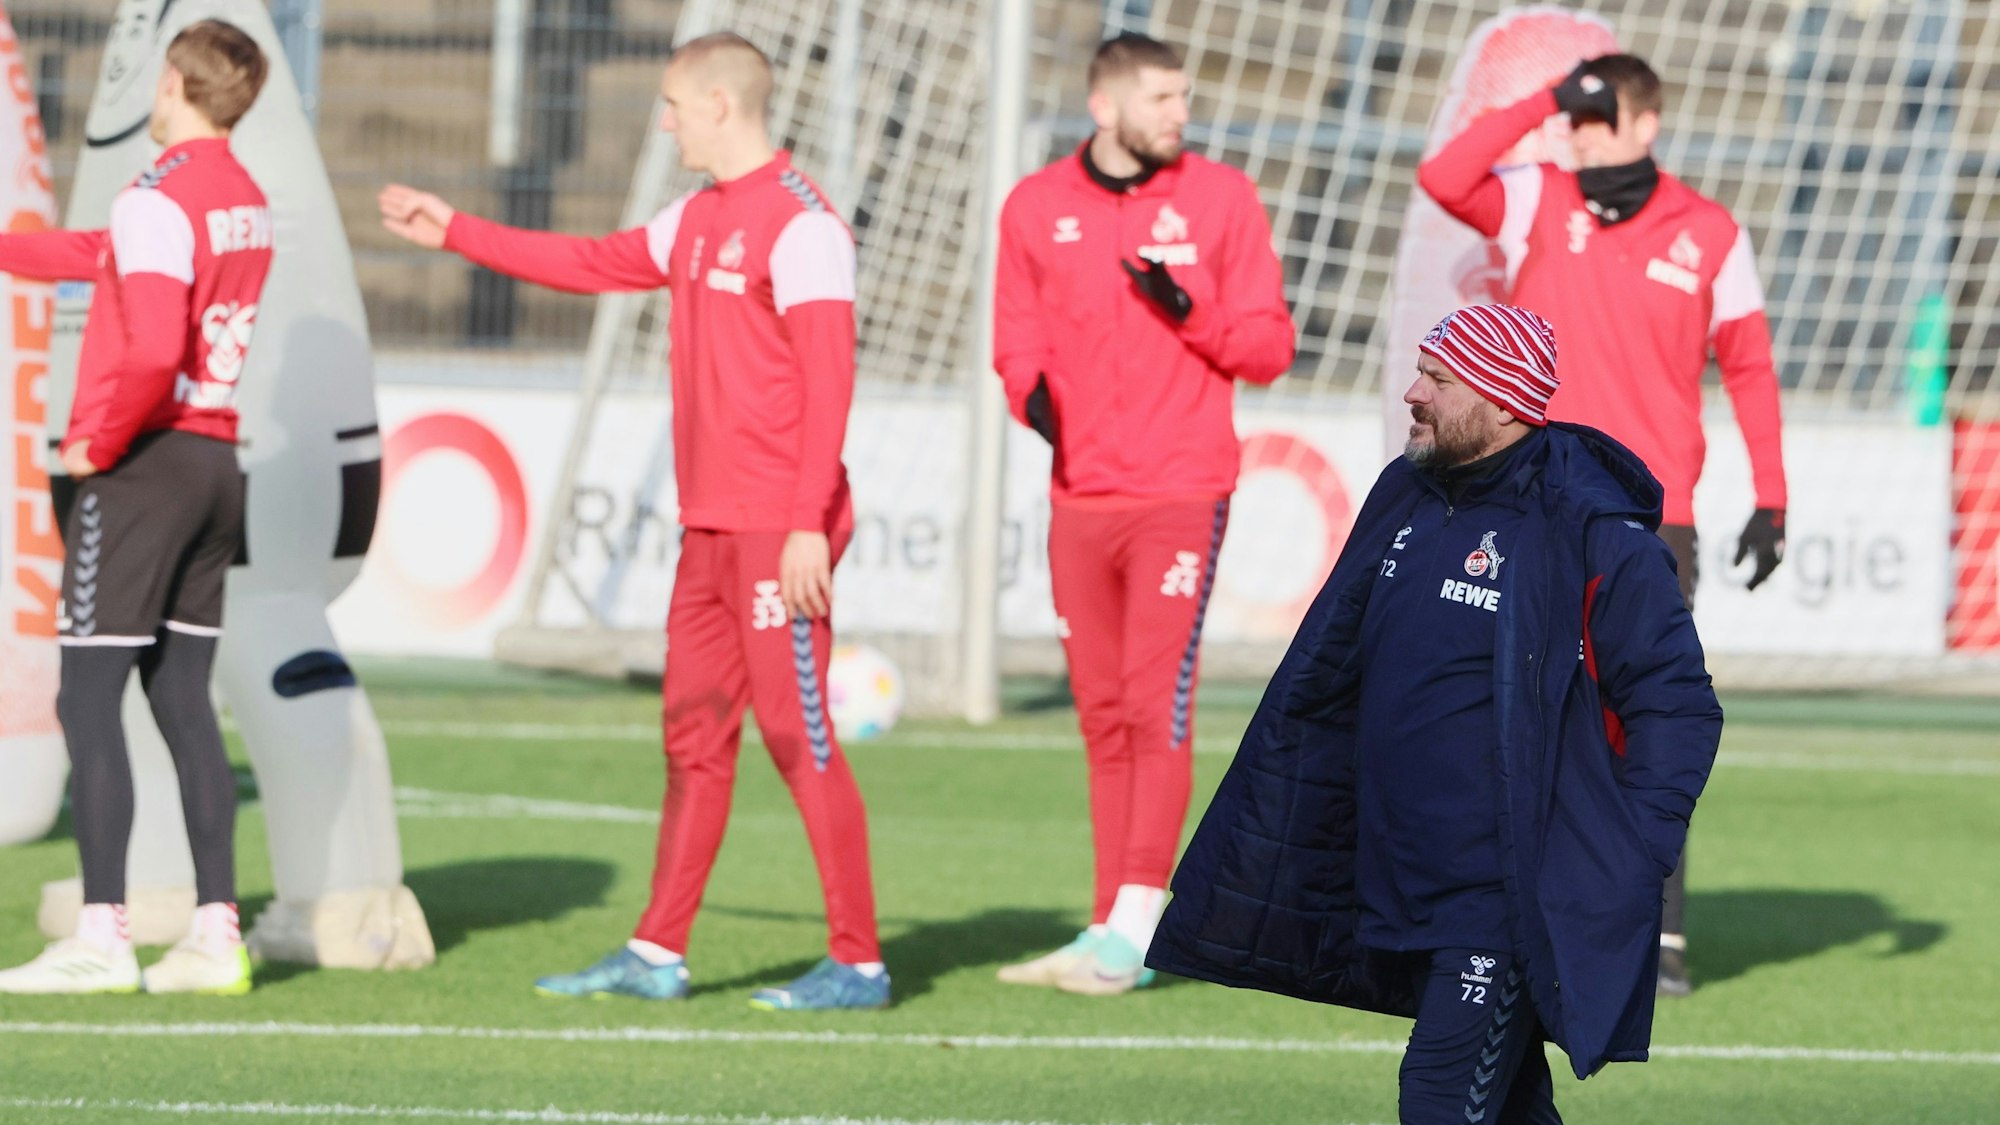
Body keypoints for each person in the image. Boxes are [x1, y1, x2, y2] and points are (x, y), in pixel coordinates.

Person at [378, 32, 886, 1011]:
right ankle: (657, 952)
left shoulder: (804, 226)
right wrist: (457, 232)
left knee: (796, 737)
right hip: (708, 530)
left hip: (777, 529)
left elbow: (831, 382)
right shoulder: (695, 218)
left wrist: (805, 523)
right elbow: (589, 260)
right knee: (693, 737)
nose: (663, 122)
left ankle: (858, 961)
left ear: (720, 106)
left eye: (672, 106)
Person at [1150, 304, 1722, 1123]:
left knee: (1439, 1100)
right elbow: (1328, 675)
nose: (1413, 393)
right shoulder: (1404, 495)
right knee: (1511, 1105)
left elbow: (1678, 706)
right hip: (1401, 881)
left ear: (1505, 401)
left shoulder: (1592, 533)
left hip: (1507, 896)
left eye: (1439, 380)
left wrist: (1636, 852)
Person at [1417, 52, 1782, 995]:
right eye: (1571, 123)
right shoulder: (1539, 199)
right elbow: (1443, 177)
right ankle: (1491, 920)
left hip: (1654, 520)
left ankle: (1654, 935)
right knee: (1500, 709)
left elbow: (1748, 366)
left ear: (1647, 124)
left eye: (1597, 118)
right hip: (1531, 502)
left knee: (1641, 722)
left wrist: (1773, 494)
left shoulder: (1709, 231)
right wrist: (1546, 97)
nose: (1578, 135)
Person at [990, 32, 1296, 996]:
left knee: (1156, 706)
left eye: (1183, 96)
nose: (1180, 112)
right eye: (1162, 97)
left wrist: (1188, 308)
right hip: (1082, 497)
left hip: (1180, 491)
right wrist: (1041, 405)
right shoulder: (1036, 207)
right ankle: (1105, 923)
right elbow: (1016, 342)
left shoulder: (1221, 201)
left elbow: (1268, 346)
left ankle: (1137, 927)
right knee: (1101, 714)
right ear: (1105, 106)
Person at [0, 20, 271, 996]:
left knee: (86, 696)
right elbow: (102, 254)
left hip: (145, 467)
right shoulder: (242, 197)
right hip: (212, 462)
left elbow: (152, 345)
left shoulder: (161, 196)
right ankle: (214, 934)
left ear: (175, 87)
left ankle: (101, 938)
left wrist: (95, 444)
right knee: (182, 700)